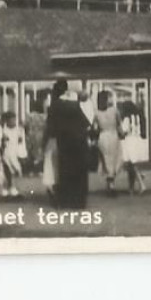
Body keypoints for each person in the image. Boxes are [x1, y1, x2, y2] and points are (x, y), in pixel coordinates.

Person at [44, 79, 92, 210]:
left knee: (65, 172)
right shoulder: (75, 106)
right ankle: (79, 202)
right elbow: (86, 124)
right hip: (79, 143)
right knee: (79, 173)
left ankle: (66, 201)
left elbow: (50, 127)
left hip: (64, 143)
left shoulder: (54, 106)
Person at [94, 90, 123, 197]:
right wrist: (122, 134)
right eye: (109, 97)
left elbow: (95, 127)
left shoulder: (96, 112)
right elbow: (119, 125)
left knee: (106, 160)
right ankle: (111, 184)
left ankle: (109, 183)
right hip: (113, 135)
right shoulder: (115, 111)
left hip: (102, 137)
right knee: (115, 159)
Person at [118, 97, 148, 194]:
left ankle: (141, 183)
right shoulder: (138, 117)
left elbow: (124, 131)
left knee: (132, 164)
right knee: (132, 164)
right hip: (138, 140)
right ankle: (131, 187)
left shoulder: (126, 119)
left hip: (130, 141)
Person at [0, 110, 26, 198]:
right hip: (6, 154)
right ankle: (6, 189)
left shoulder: (18, 130)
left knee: (16, 170)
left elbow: (21, 142)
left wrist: (21, 154)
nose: (13, 122)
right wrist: (3, 140)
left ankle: (14, 189)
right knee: (6, 171)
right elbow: (2, 143)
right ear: (6, 121)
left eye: (14, 120)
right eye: (10, 120)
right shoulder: (4, 130)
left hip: (15, 153)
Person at [23, 98, 48, 176]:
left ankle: (31, 171)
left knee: (31, 153)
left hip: (30, 136)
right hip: (41, 136)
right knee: (40, 153)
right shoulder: (44, 116)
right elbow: (46, 126)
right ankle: (40, 170)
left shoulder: (29, 116)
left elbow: (25, 126)